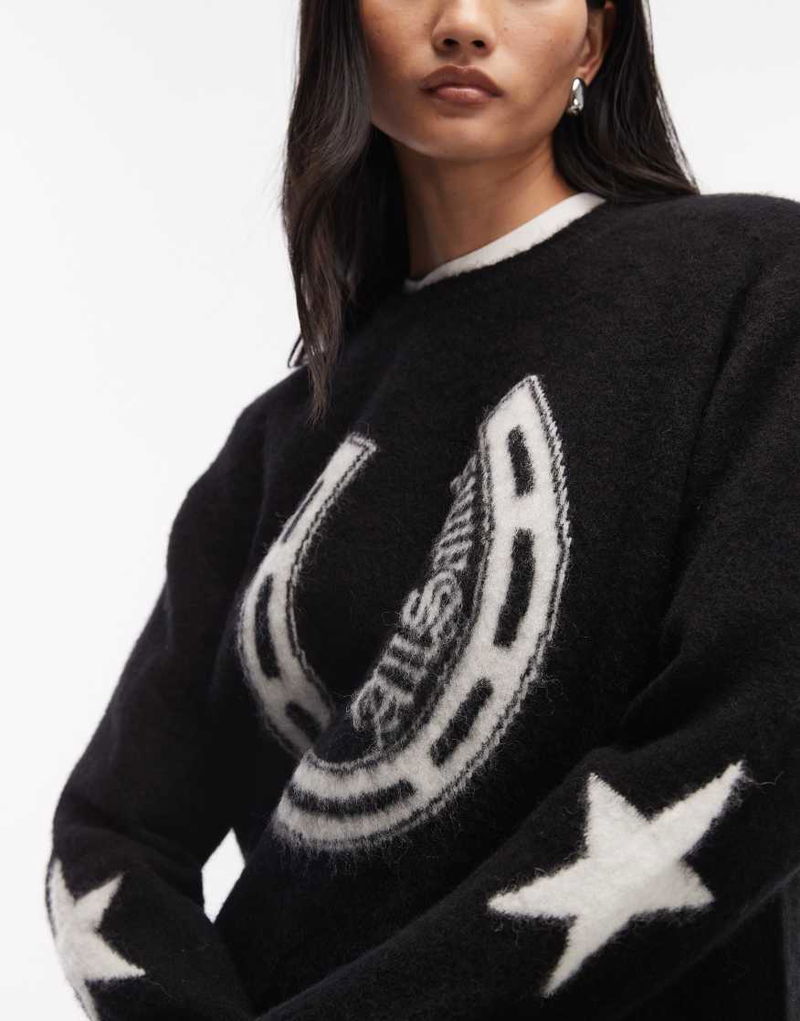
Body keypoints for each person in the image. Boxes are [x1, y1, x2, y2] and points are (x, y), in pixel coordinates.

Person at [45, 0, 800, 1018]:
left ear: (593, 39)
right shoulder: (275, 442)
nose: (462, 22)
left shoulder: (750, 285)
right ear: (340, 31)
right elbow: (110, 834)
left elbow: (761, 721)